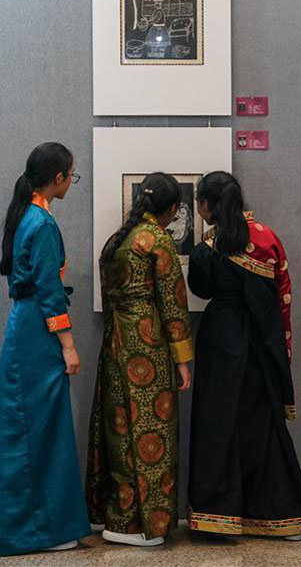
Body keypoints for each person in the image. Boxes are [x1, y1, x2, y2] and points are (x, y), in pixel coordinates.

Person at [186, 171, 301, 540]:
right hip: (261, 345)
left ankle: (217, 516)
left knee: (218, 424)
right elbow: (283, 295)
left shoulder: (207, 249)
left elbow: (200, 289)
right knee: (263, 428)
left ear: (208, 205)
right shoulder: (267, 238)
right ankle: (282, 516)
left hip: (220, 342)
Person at [0, 142, 90, 556]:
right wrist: (69, 345)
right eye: (71, 176)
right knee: (41, 428)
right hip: (38, 332)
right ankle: (39, 529)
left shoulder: (26, 215)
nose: (72, 183)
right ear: (58, 177)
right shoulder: (41, 223)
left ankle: (17, 522)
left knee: (23, 423)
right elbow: (49, 291)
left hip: (22, 327)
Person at [85, 172, 193, 547]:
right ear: (173, 209)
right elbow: (173, 304)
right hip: (148, 347)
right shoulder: (157, 241)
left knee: (117, 427)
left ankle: (114, 513)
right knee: (151, 430)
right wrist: (182, 359)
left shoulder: (117, 240)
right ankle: (143, 525)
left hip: (115, 344)